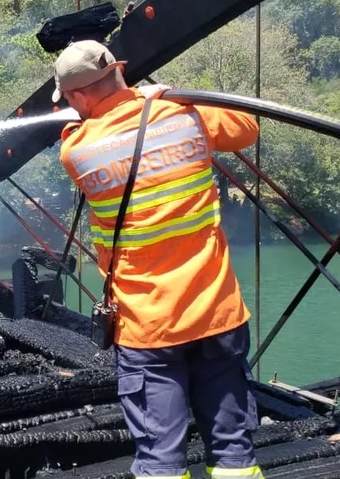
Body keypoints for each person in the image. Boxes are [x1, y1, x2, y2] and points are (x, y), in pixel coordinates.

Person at [53, 40, 265, 479]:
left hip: (149, 326)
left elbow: (89, 137)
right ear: (121, 71)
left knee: (161, 461)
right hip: (217, 315)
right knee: (234, 457)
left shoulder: (77, 151)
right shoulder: (186, 114)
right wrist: (183, 97)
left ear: (77, 97)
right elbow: (246, 128)